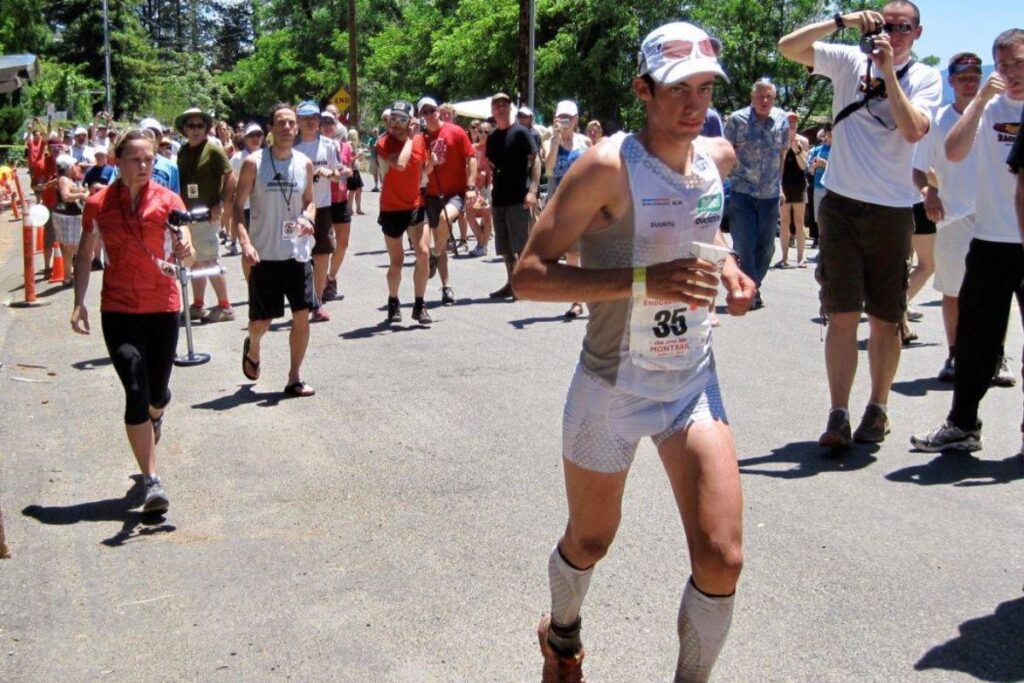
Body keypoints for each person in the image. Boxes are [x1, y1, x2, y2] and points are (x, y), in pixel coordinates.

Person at [512, 21, 755, 681]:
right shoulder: (607, 166)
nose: (694, 104)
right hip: (611, 386)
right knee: (590, 538)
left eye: (705, 89)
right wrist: (646, 281)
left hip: (690, 382)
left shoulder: (715, 160)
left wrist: (731, 271)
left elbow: (706, 232)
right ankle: (562, 635)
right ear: (642, 89)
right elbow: (529, 275)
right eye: (678, 89)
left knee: (722, 558)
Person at [779, 0, 942, 448]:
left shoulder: (924, 77)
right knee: (841, 314)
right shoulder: (849, 59)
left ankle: (878, 407)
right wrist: (842, 21)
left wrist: (888, 72)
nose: (894, 34)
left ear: (917, 33)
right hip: (842, 205)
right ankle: (839, 414)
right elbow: (788, 47)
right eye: (887, 25)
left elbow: (914, 130)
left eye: (903, 28)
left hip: (892, 209)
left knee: (886, 319)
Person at [911, 29, 1024, 455]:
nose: (1011, 73)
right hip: (992, 238)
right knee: (975, 339)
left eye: (1019, 63)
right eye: (1004, 65)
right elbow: (954, 153)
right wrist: (979, 102)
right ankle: (962, 425)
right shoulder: (989, 107)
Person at [70, 129, 195, 514]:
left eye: (149, 160)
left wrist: (184, 247)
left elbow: (188, 252)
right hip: (119, 309)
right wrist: (78, 302)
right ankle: (151, 480)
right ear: (117, 162)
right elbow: (84, 255)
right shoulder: (98, 204)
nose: (143, 166)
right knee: (135, 387)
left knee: (156, 394)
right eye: (135, 159)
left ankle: (157, 411)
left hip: (162, 307)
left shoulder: (169, 201)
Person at [233, 103, 318, 397]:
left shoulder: (304, 163)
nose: (286, 128)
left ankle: (294, 377)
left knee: (302, 315)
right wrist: (245, 242)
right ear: (271, 128)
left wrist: (308, 218)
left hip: (297, 254)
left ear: (297, 128)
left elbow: (310, 201)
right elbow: (237, 205)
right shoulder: (254, 163)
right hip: (264, 255)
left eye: (291, 123)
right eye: (280, 122)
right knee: (262, 321)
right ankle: (253, 345)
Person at [724, 79, 789, 308]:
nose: (764, 100)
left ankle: (752, 285)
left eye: (769, 96)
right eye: (760, 96)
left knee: (767, 246)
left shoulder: (781, 119)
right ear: (752, 97)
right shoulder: (736, 120)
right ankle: (750, 292)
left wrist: (781, 186)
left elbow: (782, 155)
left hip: (770, 194)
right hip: (742, 191)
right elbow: (726, 152)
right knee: (744, 244)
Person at [175, 107, 237, 323]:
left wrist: (220, 203)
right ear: (184, 129)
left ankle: (225, 307)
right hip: (188, 215)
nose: (195, 129)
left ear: (206, 128)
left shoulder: (213, 150)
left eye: (200, 125)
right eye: (191, 125)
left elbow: (230, 176)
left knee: (209, 260)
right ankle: (198, 305)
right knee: (194, 260)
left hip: (208, 215)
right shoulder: (183, 151)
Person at [376, 100, 434, 324]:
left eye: (401, 119)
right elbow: (400, 164)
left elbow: (423, 169)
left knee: (423, 253)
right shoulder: (384, 142)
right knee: (397, 261)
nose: (396, 124)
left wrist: (433, 163)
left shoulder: (420, 141)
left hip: (415, 204)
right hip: (391, 207)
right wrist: (410, 138)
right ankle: (393, 300)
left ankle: (419, 304)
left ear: (410, 121)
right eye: (393, 119)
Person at [420, 96, 477, 306]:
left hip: (454, 193)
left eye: (432, 110)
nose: (429, 115)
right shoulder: (421, 139)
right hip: (431, 194)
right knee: (441, 241)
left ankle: (434, 254)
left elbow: (471, 157)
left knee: (445, 221)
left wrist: (471, 187)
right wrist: (430, 164)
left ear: (438, 110)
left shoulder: (456, 131)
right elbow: (421, 171)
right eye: (425, 112)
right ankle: (446, 286)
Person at [294, 100, 344, 323]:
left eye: (315, 118)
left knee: (322, 254)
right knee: (297, 255)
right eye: (306, 118)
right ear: (298, 121)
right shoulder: (291, 145)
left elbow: (339, 175)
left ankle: (318, 302)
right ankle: (300, 302)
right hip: (295, 207)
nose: (311, 122)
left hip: (322, 206)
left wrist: (330, 173)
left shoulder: (329, 145)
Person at [486, 93, 540, 299]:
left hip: (519, 196)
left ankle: (524, 284)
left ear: (510, 108)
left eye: (504, 104)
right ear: (492, 110)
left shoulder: (521, 132)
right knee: (505, 246)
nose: (501, 108)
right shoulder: (492, 137)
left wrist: (532, 191)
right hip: (499, 197)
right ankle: (512, 283)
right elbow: (492, 164)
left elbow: (535, 161)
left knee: (521, 244)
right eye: (497, 105)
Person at [545, 99, 592, 320]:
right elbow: (549, 168)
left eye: (568, 117)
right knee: (572, 255)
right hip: (564, 208)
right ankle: (577, 301)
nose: (564, 121)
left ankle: (598, 295)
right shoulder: (550, 141)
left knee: (593, 253)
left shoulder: (585, 142)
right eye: (561, 117)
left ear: (576, 119)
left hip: (587, 204)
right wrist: (555, 140)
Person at [322, 112, 354, 301]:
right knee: (325, 246)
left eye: (331, 122)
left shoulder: (346, 147)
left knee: (342, 244)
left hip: (340, 199)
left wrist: (348, 171)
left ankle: (331, 278)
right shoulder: (316, 147)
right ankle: (319, 282)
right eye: (324, 122)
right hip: (323, 200)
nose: (328, 125)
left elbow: (347, 171)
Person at [777, 111, 810, 268]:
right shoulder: (779, 139)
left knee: (799, 221)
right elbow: (779, 167)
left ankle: (801, 257)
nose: (792, 125)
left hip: (799, 184)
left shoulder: (803, 141)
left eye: (794, 122)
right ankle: (784, 257)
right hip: (784, 183)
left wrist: (796, 149)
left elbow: (804, 166)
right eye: (789, 122)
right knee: (784, 221)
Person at [228, 122, 265, 263]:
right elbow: (230, 179)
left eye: (258, 134)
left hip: (263, 206)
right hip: (245, 207)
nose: (255, 138)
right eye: (251, 135)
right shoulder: (238, 158)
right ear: (245, 138)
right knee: (249, 245)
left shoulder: (268, 156)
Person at [53, 155, 90, 286]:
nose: (76, 167)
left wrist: (82, 191)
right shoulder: (64, 179)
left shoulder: (67, 179)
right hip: (67, 217)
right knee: (70, 248)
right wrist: (82, 195)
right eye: (74, 165)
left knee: (71, 248)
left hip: (70, 216)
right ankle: (68, 277)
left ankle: (70, 275)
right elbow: (65, 196)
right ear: (68, 167)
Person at [467, 120, 494, 257]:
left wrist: (486, 173)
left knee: (486, 215)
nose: (483, 134)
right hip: (474, 187)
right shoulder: (473, 147)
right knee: (470, 216)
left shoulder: (494, 149)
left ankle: (483, 245)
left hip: (486, 187)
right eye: (480, 131)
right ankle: (482, 243)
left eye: (486, 132)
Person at [806, 124, 832, 246]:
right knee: (819, 219)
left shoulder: (839, 150)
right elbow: (809, 169)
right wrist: (814, 166)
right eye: (828, 132)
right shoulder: (817, 150)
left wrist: (824, 164)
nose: (829, 135)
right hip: (818, 187)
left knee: (832, 219)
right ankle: (822, 246)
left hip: (832, 189)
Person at [366, 127, 381, 191]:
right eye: (374, 132)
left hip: (380, 157)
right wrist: (371, 146)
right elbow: (368, 147)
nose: (375, 133)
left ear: (378, 132)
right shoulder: (371, 139)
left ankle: (382, 186)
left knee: (380, 172)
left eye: (376, 132)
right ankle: (376, 186)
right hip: (373, 157)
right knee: (375, 173)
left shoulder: (380, 138)